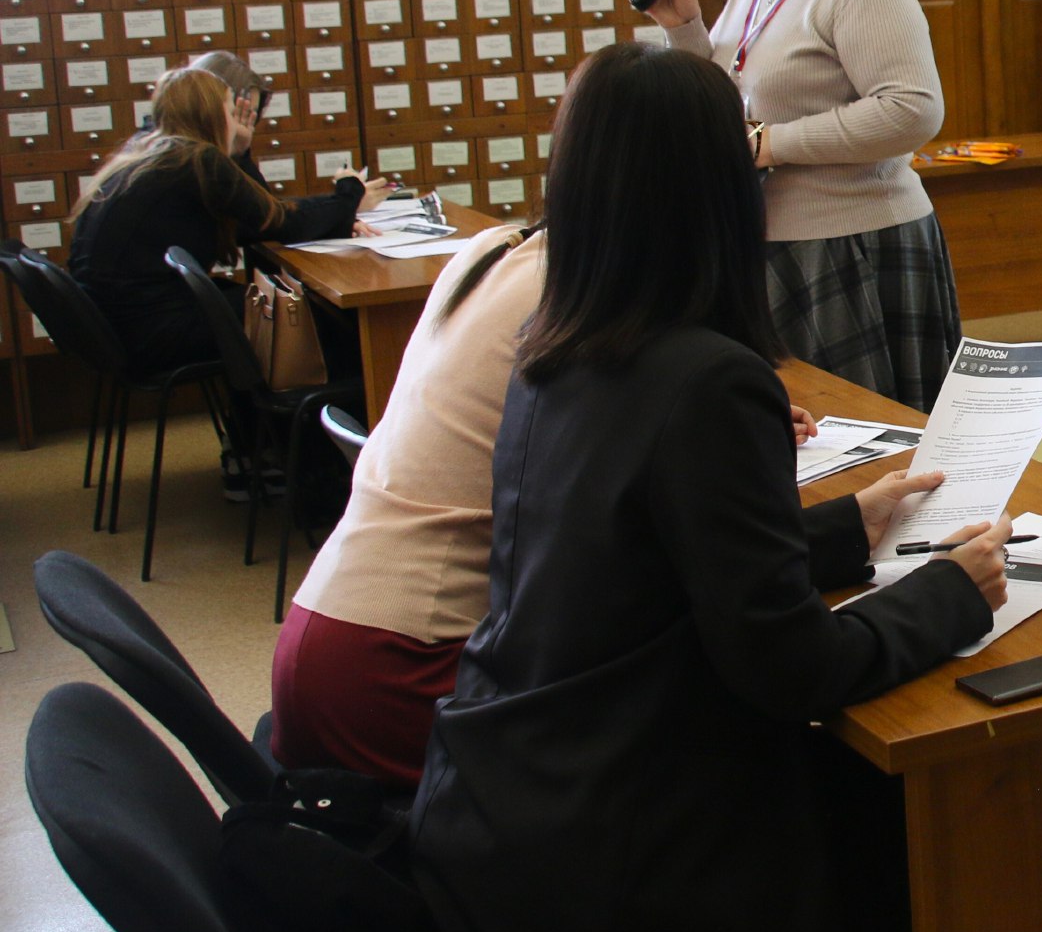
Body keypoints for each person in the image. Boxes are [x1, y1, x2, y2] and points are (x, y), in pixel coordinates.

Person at [408, 43, 1009, 932]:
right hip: (613, 848)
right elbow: (791, 668)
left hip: (507, 805)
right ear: (718, 192)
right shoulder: (706, 379)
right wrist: (951, 590)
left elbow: (640, 561)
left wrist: (841, 529)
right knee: (904, 831)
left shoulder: (557, 350)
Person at [270, 208, 943, 788]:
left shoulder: (499, 250)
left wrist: (839, 527)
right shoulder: (591, 298)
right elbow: (755, 628)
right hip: (410, 669)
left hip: (325, 635)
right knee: (744, 729)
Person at [641, 0, 965, 411]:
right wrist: (684, 30)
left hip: (854, 242)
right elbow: (725, 105)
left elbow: (911, 111)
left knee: (870, 439)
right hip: (765, 237)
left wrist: (772, 145)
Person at [65, 67, 388, 494]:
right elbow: (280, 221)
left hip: (119, 325)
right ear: (209, 112)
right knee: (309, 321)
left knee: (260, 306)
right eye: (228, 107)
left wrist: (239, 149)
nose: (235, 114)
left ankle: (257, 455)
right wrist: (348, 193)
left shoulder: (154, 153)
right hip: (149, 328)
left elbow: (256, 218)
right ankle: (323, 471)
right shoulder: (193, 160)